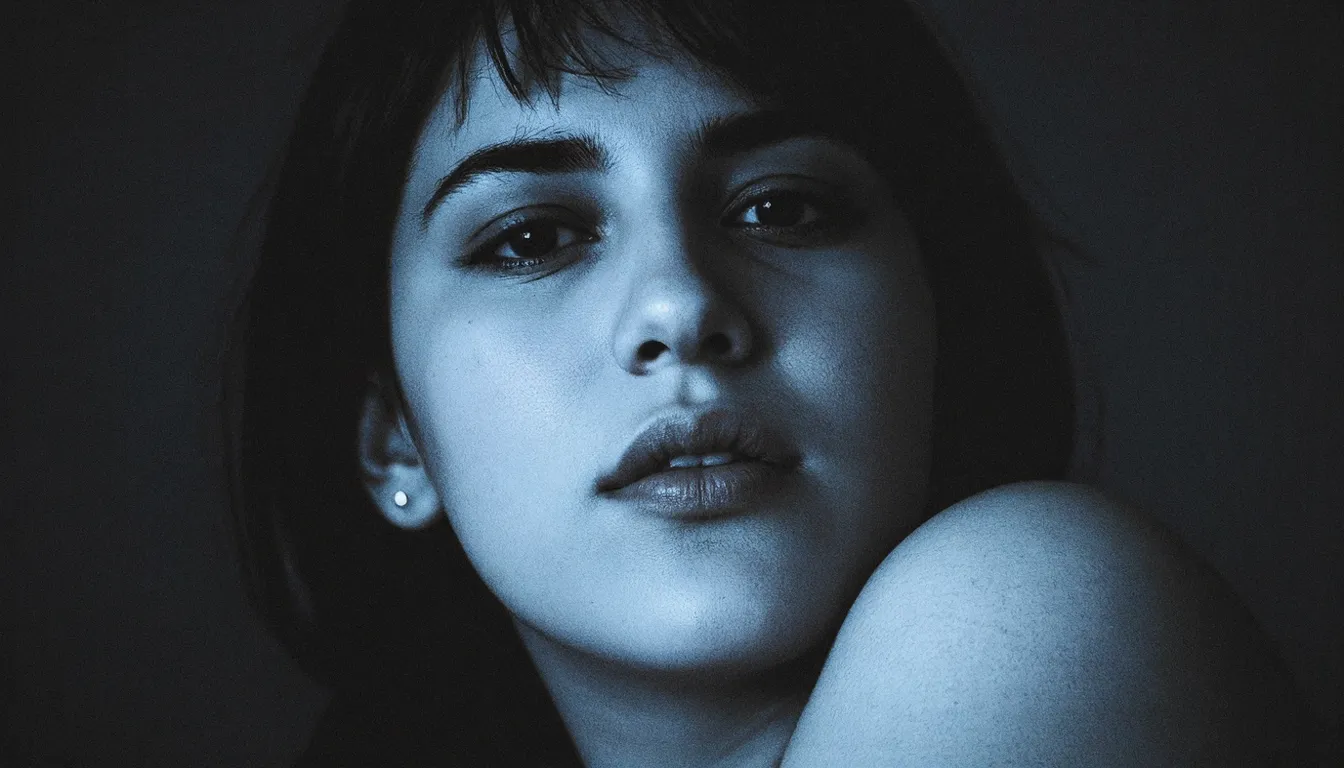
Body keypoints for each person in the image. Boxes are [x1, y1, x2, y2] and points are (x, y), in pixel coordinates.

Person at [223, 0, 1310, 764]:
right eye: (533, 237)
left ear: (939, 315)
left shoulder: (1035, 609)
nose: (681, 306)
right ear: (395, 439)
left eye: (780, 207)